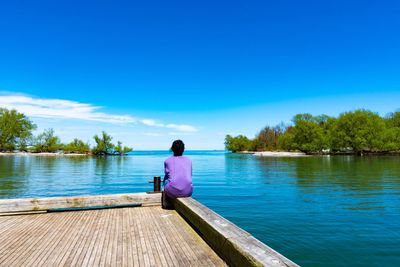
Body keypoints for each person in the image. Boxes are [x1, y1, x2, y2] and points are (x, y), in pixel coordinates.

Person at [162, 140, 192, 208]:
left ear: (172, 149)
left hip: (172, 192)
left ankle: (165, 203)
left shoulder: (167, 161)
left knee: (166, 180)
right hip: (188, 191)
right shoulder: (189, 161)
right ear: (183, 149)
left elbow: (167, 175)